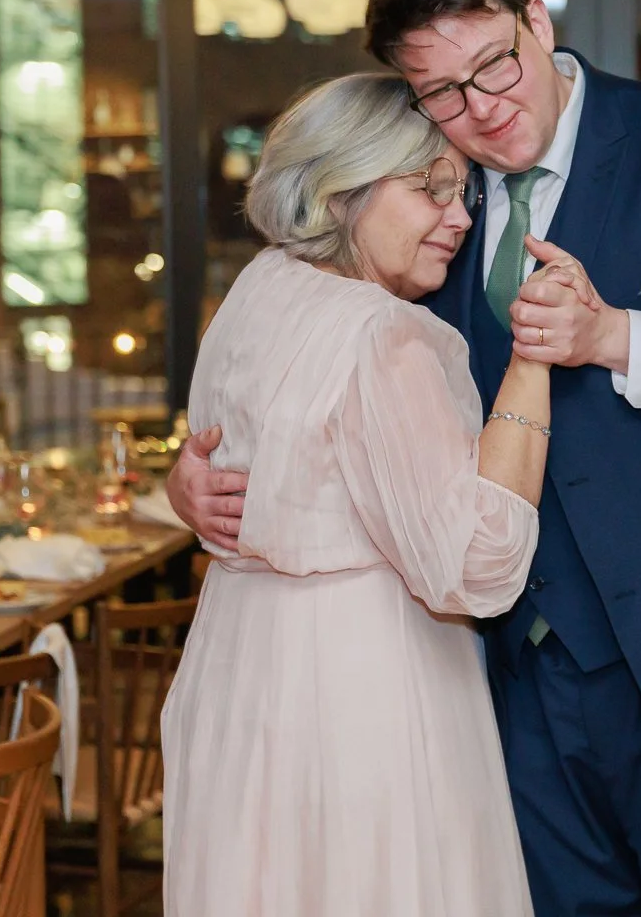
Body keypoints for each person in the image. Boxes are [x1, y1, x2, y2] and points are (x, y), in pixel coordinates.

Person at [171, 0, 641, 916]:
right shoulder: (418, 206)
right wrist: (195, 474)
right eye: (439, 94)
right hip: (509, 689)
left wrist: (622, 336)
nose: (480, 111)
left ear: (536, 21)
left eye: (493, 67)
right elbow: (325, 375)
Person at [158, 73, 556, 915]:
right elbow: (474, 568)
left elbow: (251, 455)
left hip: (239, 676)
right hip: (359, 691)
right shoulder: (387, 332)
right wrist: (532, 362)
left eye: (462, 194)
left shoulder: (256, 289)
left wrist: (180, 486)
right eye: (430, 190)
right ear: (341, 192)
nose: (460, 216)